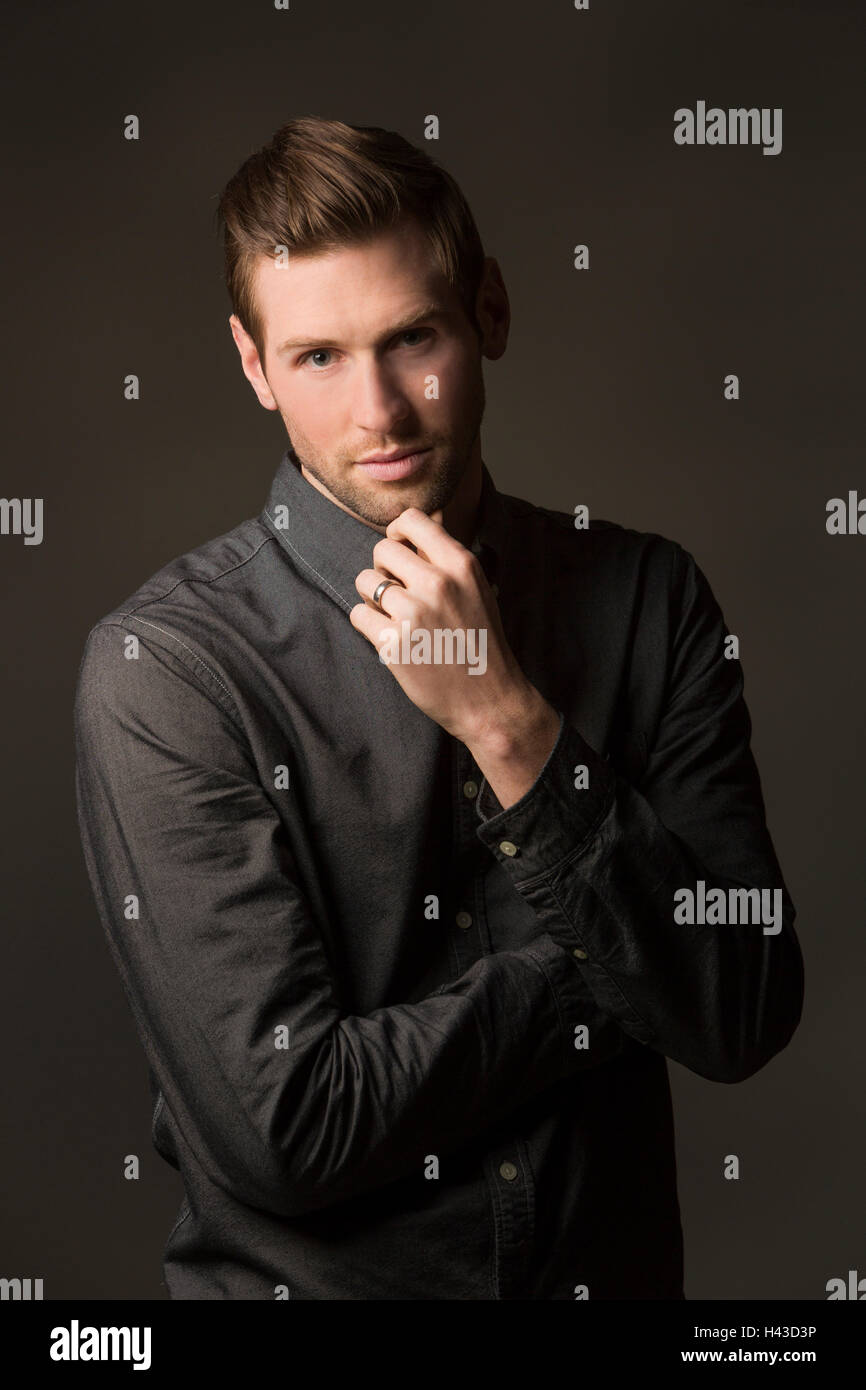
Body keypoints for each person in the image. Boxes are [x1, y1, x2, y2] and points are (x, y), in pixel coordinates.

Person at [73, 116, 804, 1300]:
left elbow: (739, 1007)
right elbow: (288, 1128)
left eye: (411, 337)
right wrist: (610, 960)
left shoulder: (645, 599)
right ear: (253, 367)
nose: (380, 413)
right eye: (316, 357)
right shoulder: (169, 669)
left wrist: (509, 721)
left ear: (490, 315)